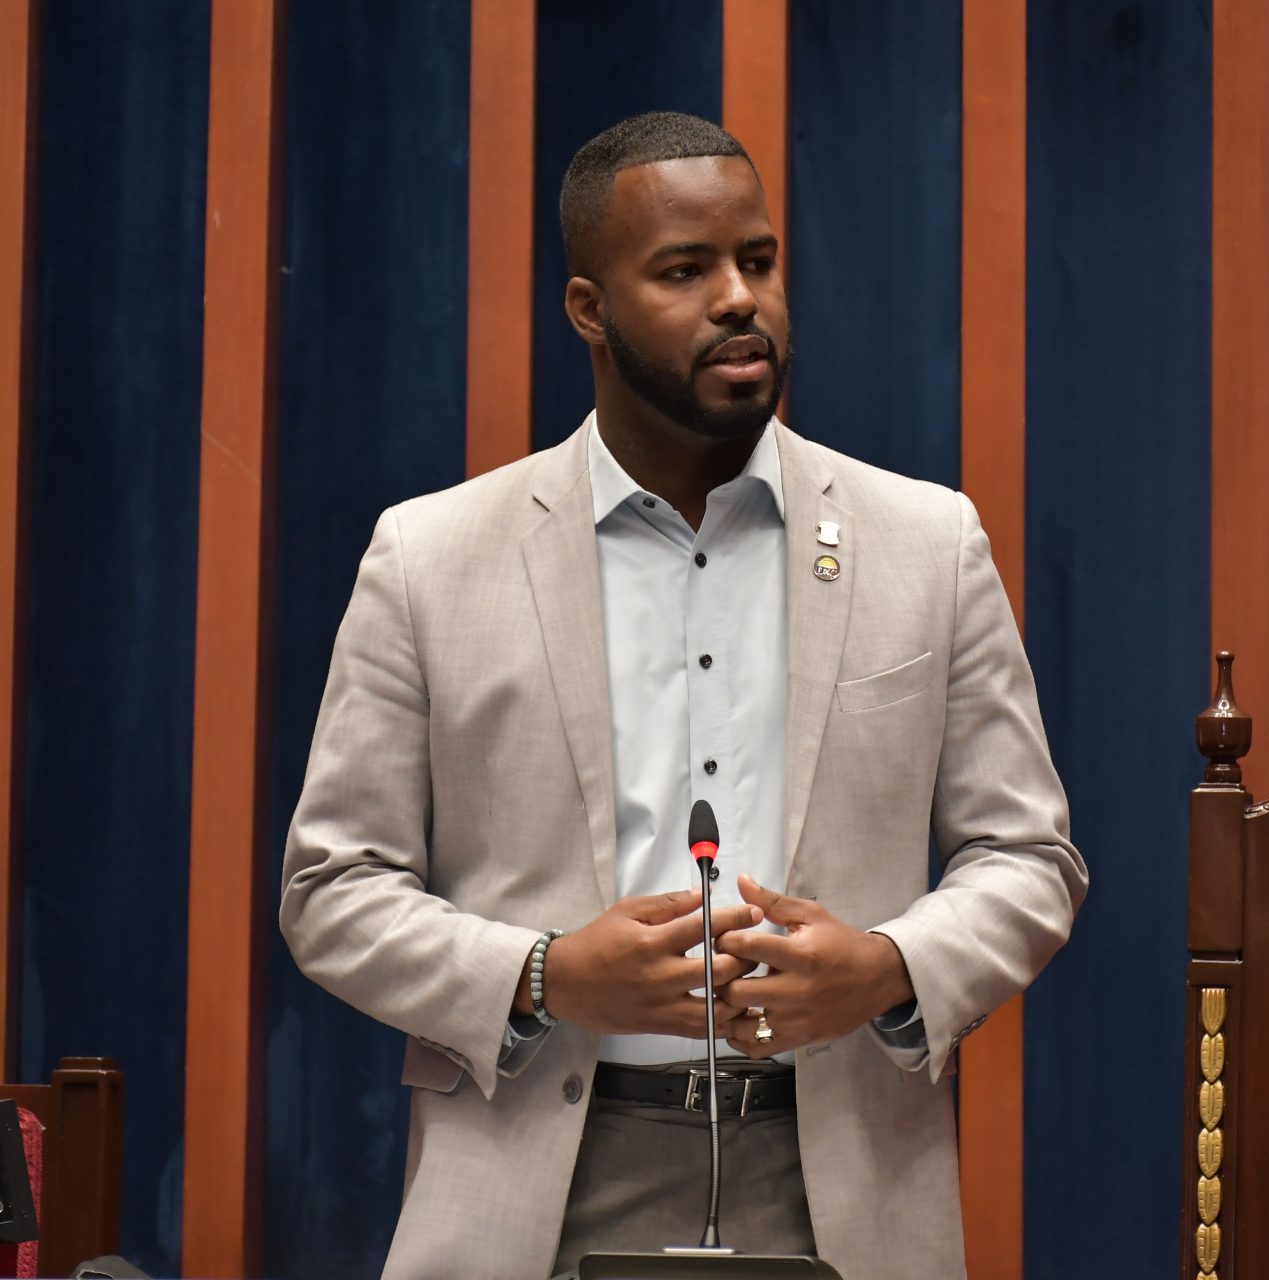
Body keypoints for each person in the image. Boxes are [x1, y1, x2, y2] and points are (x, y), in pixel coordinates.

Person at [279, 111, 1086, 1280]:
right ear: (588, 308)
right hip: (537, 1177)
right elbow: (331, 888)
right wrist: (547, 973)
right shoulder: (431, 557)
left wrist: (888, 965)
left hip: (842, 1176)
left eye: (755, 260)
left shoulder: (925, 541)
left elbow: (1029, 856)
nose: (738, 299)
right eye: (683, 270)